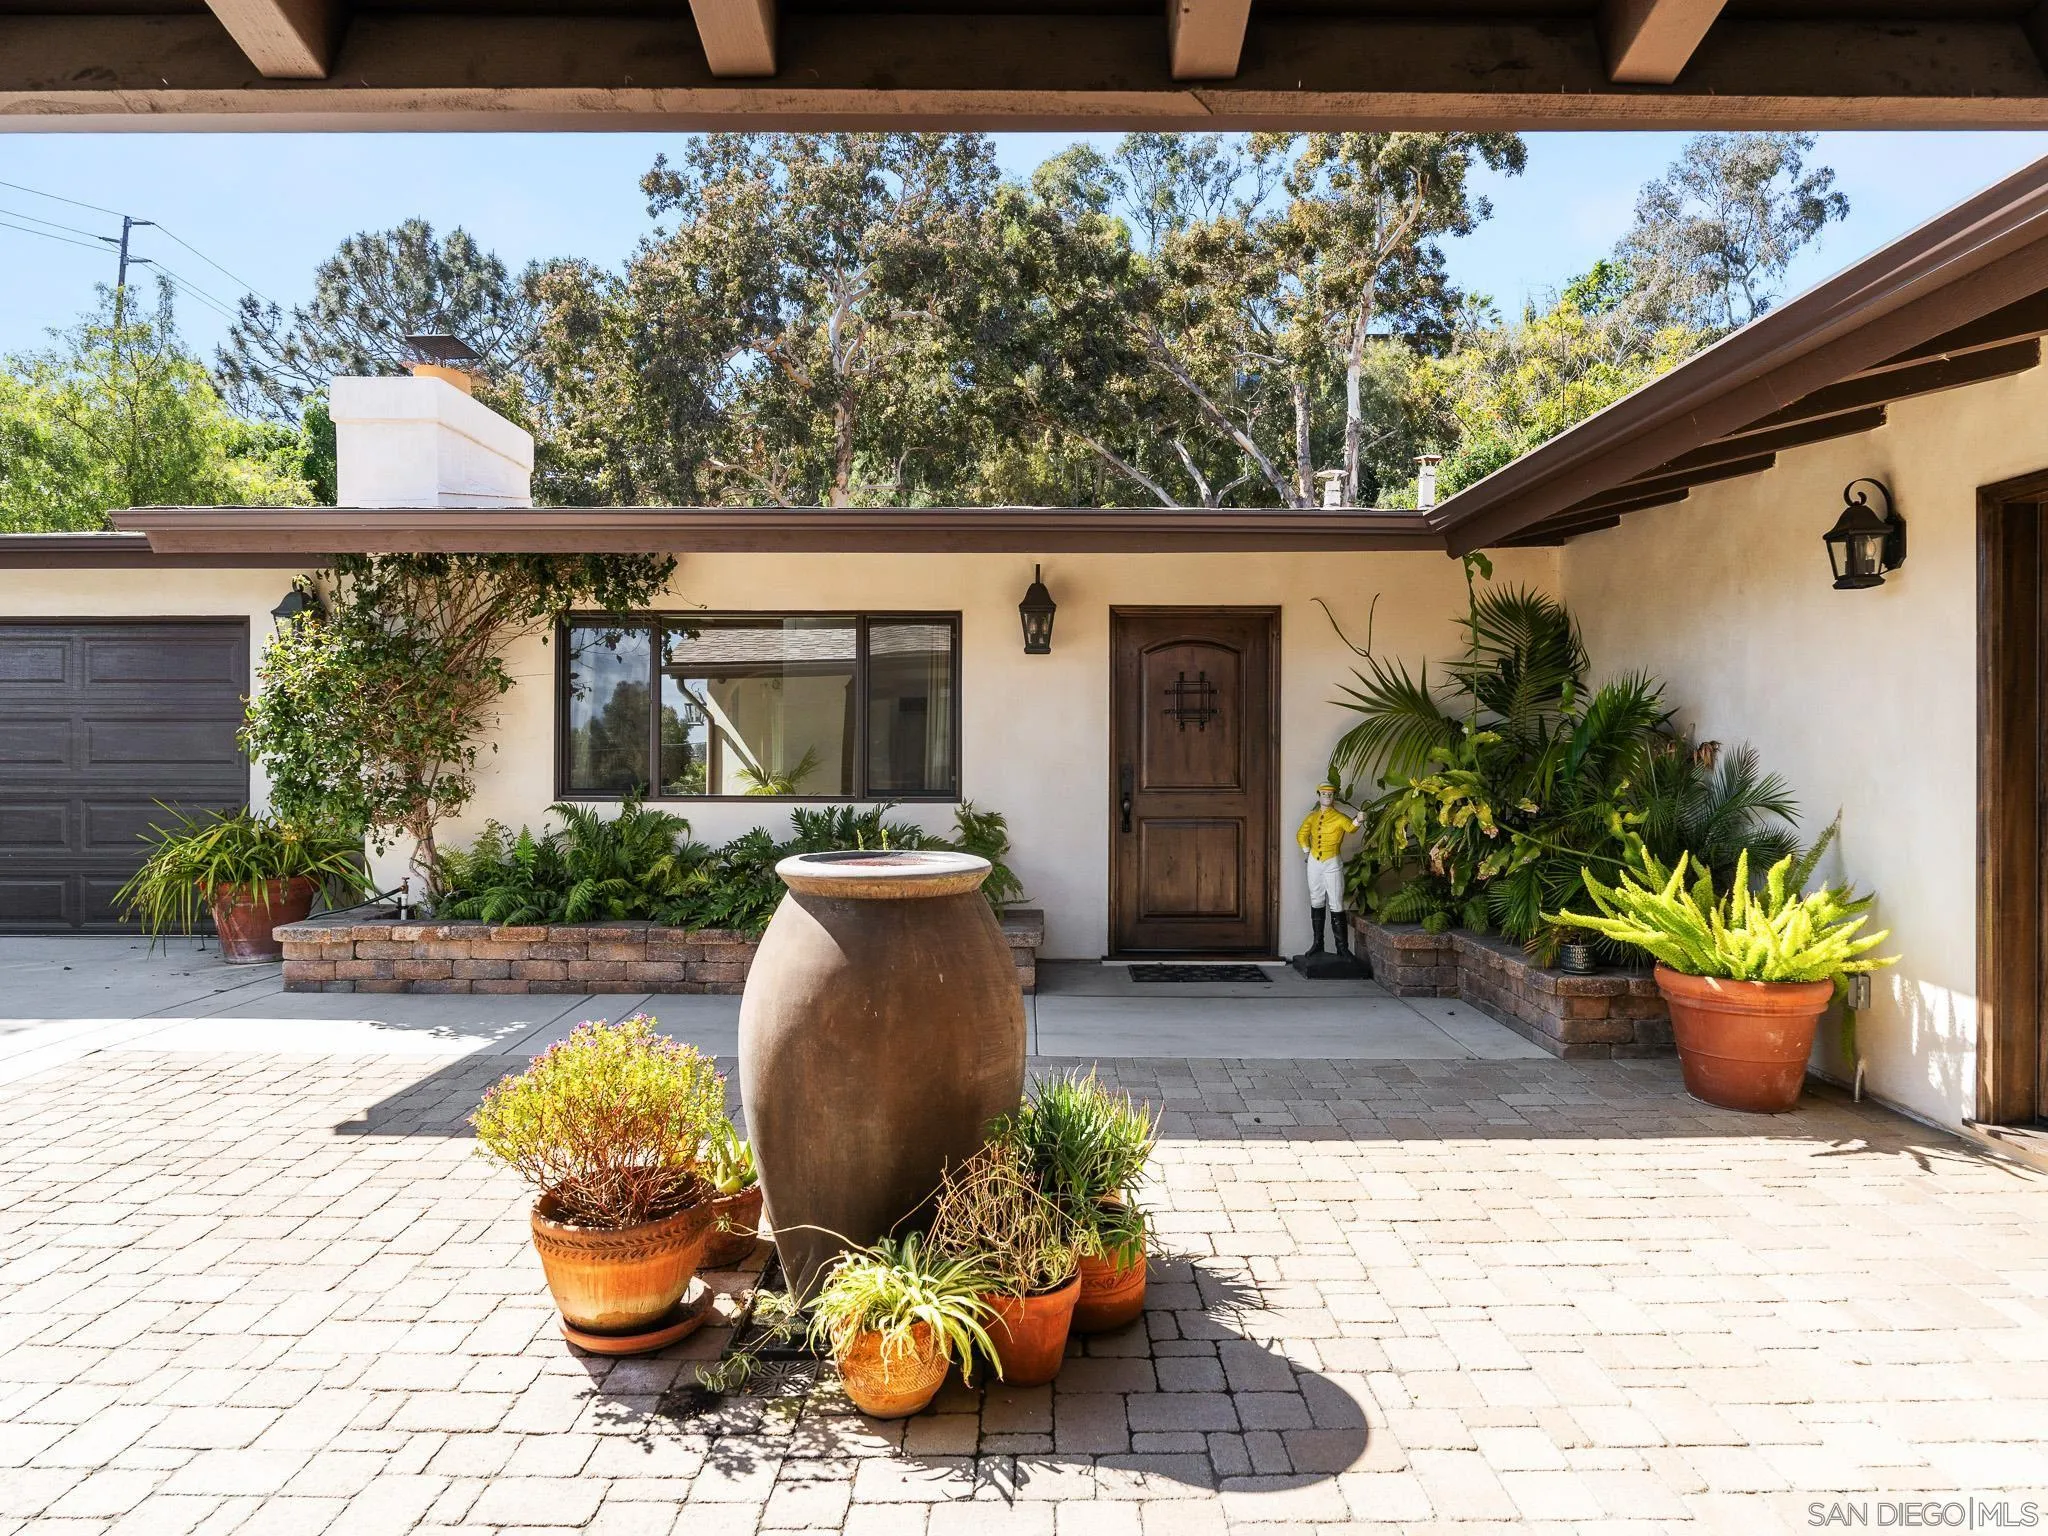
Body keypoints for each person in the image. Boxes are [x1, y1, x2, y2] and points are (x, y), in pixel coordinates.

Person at [1296, 781, 1359, 958]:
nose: (1327, 797)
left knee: (1336, 902)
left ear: (1334, 797)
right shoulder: (1312, 817)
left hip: (1332, 861)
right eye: (1324, 794)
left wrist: (1358, 820)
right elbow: (1301, 834)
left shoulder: (1339, 817)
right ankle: (1318, 943)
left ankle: (1342, 948)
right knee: (1316, 900)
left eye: (1330, 794)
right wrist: (1307, 851)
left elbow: (1351, 828)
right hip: (1315, 862)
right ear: (1319, 795)